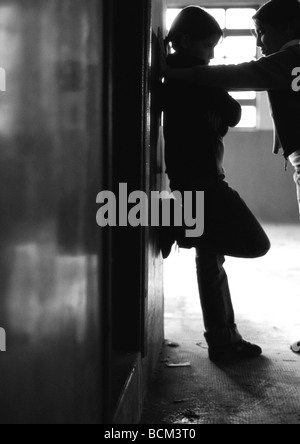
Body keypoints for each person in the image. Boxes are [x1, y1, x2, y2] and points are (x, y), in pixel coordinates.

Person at [161, 0, 300, 354]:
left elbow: (246, 77)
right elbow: (233, 110)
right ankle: (222, 338)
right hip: (205, 179)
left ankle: (222, 338)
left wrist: (176, 72)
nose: (260, 42)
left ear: (287, 29)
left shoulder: (293, 57)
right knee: (246, 244)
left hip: (193, 178)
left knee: (210, 246)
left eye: (263, 33)